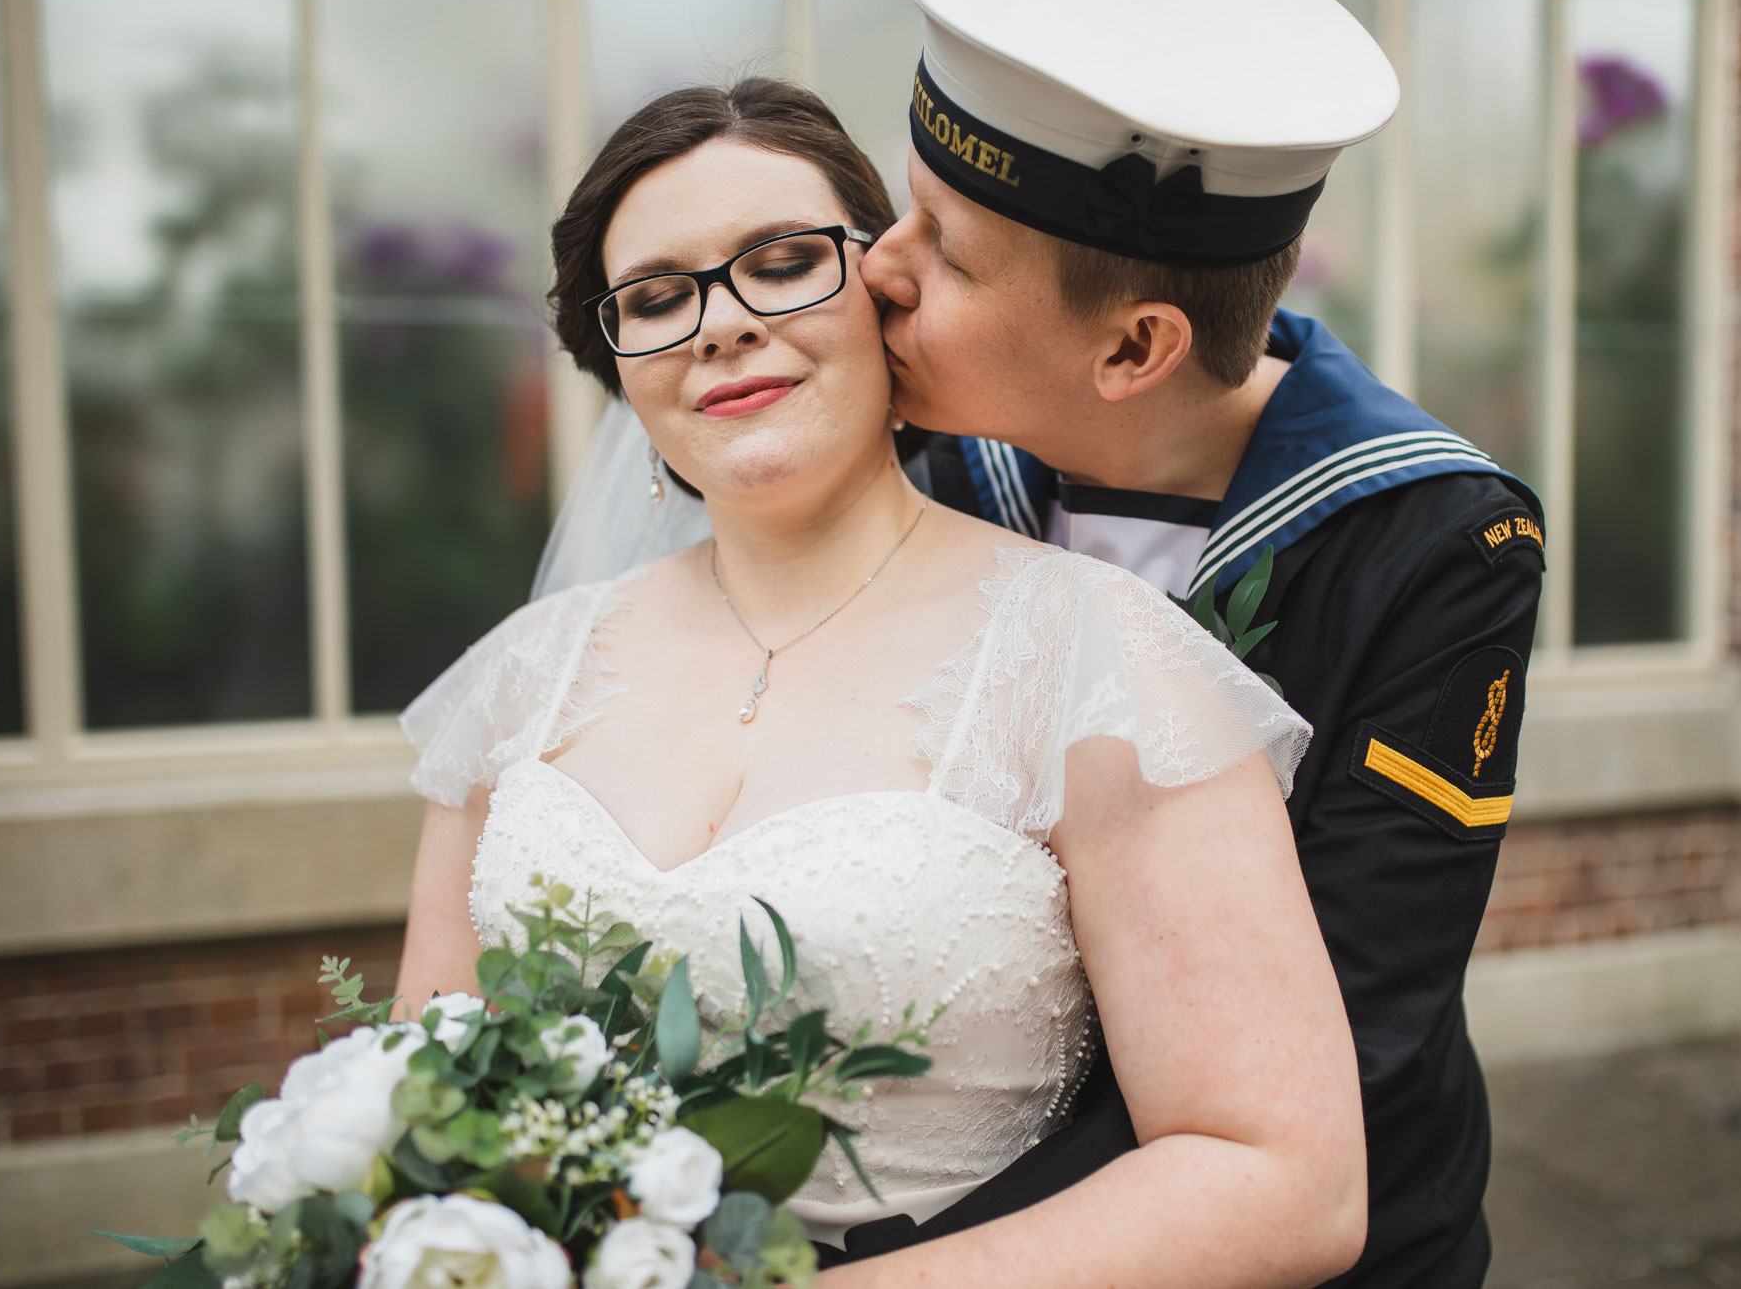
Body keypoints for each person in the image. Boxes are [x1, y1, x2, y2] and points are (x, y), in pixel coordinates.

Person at [392, 77, 1368, 1286]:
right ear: (617, 361)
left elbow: (1283, 1177)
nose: (719, 324)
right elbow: (421, 1100)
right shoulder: (521, 679)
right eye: (655, 296)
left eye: (783, 260)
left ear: (884, 286)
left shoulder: (1102, 664)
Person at [853, 0, 1547, 1284]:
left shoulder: (1434, 541)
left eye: (946, 252)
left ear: (1133, 349)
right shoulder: (931, 458)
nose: (880, 269)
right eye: (906, 209)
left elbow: (1360, 1018)